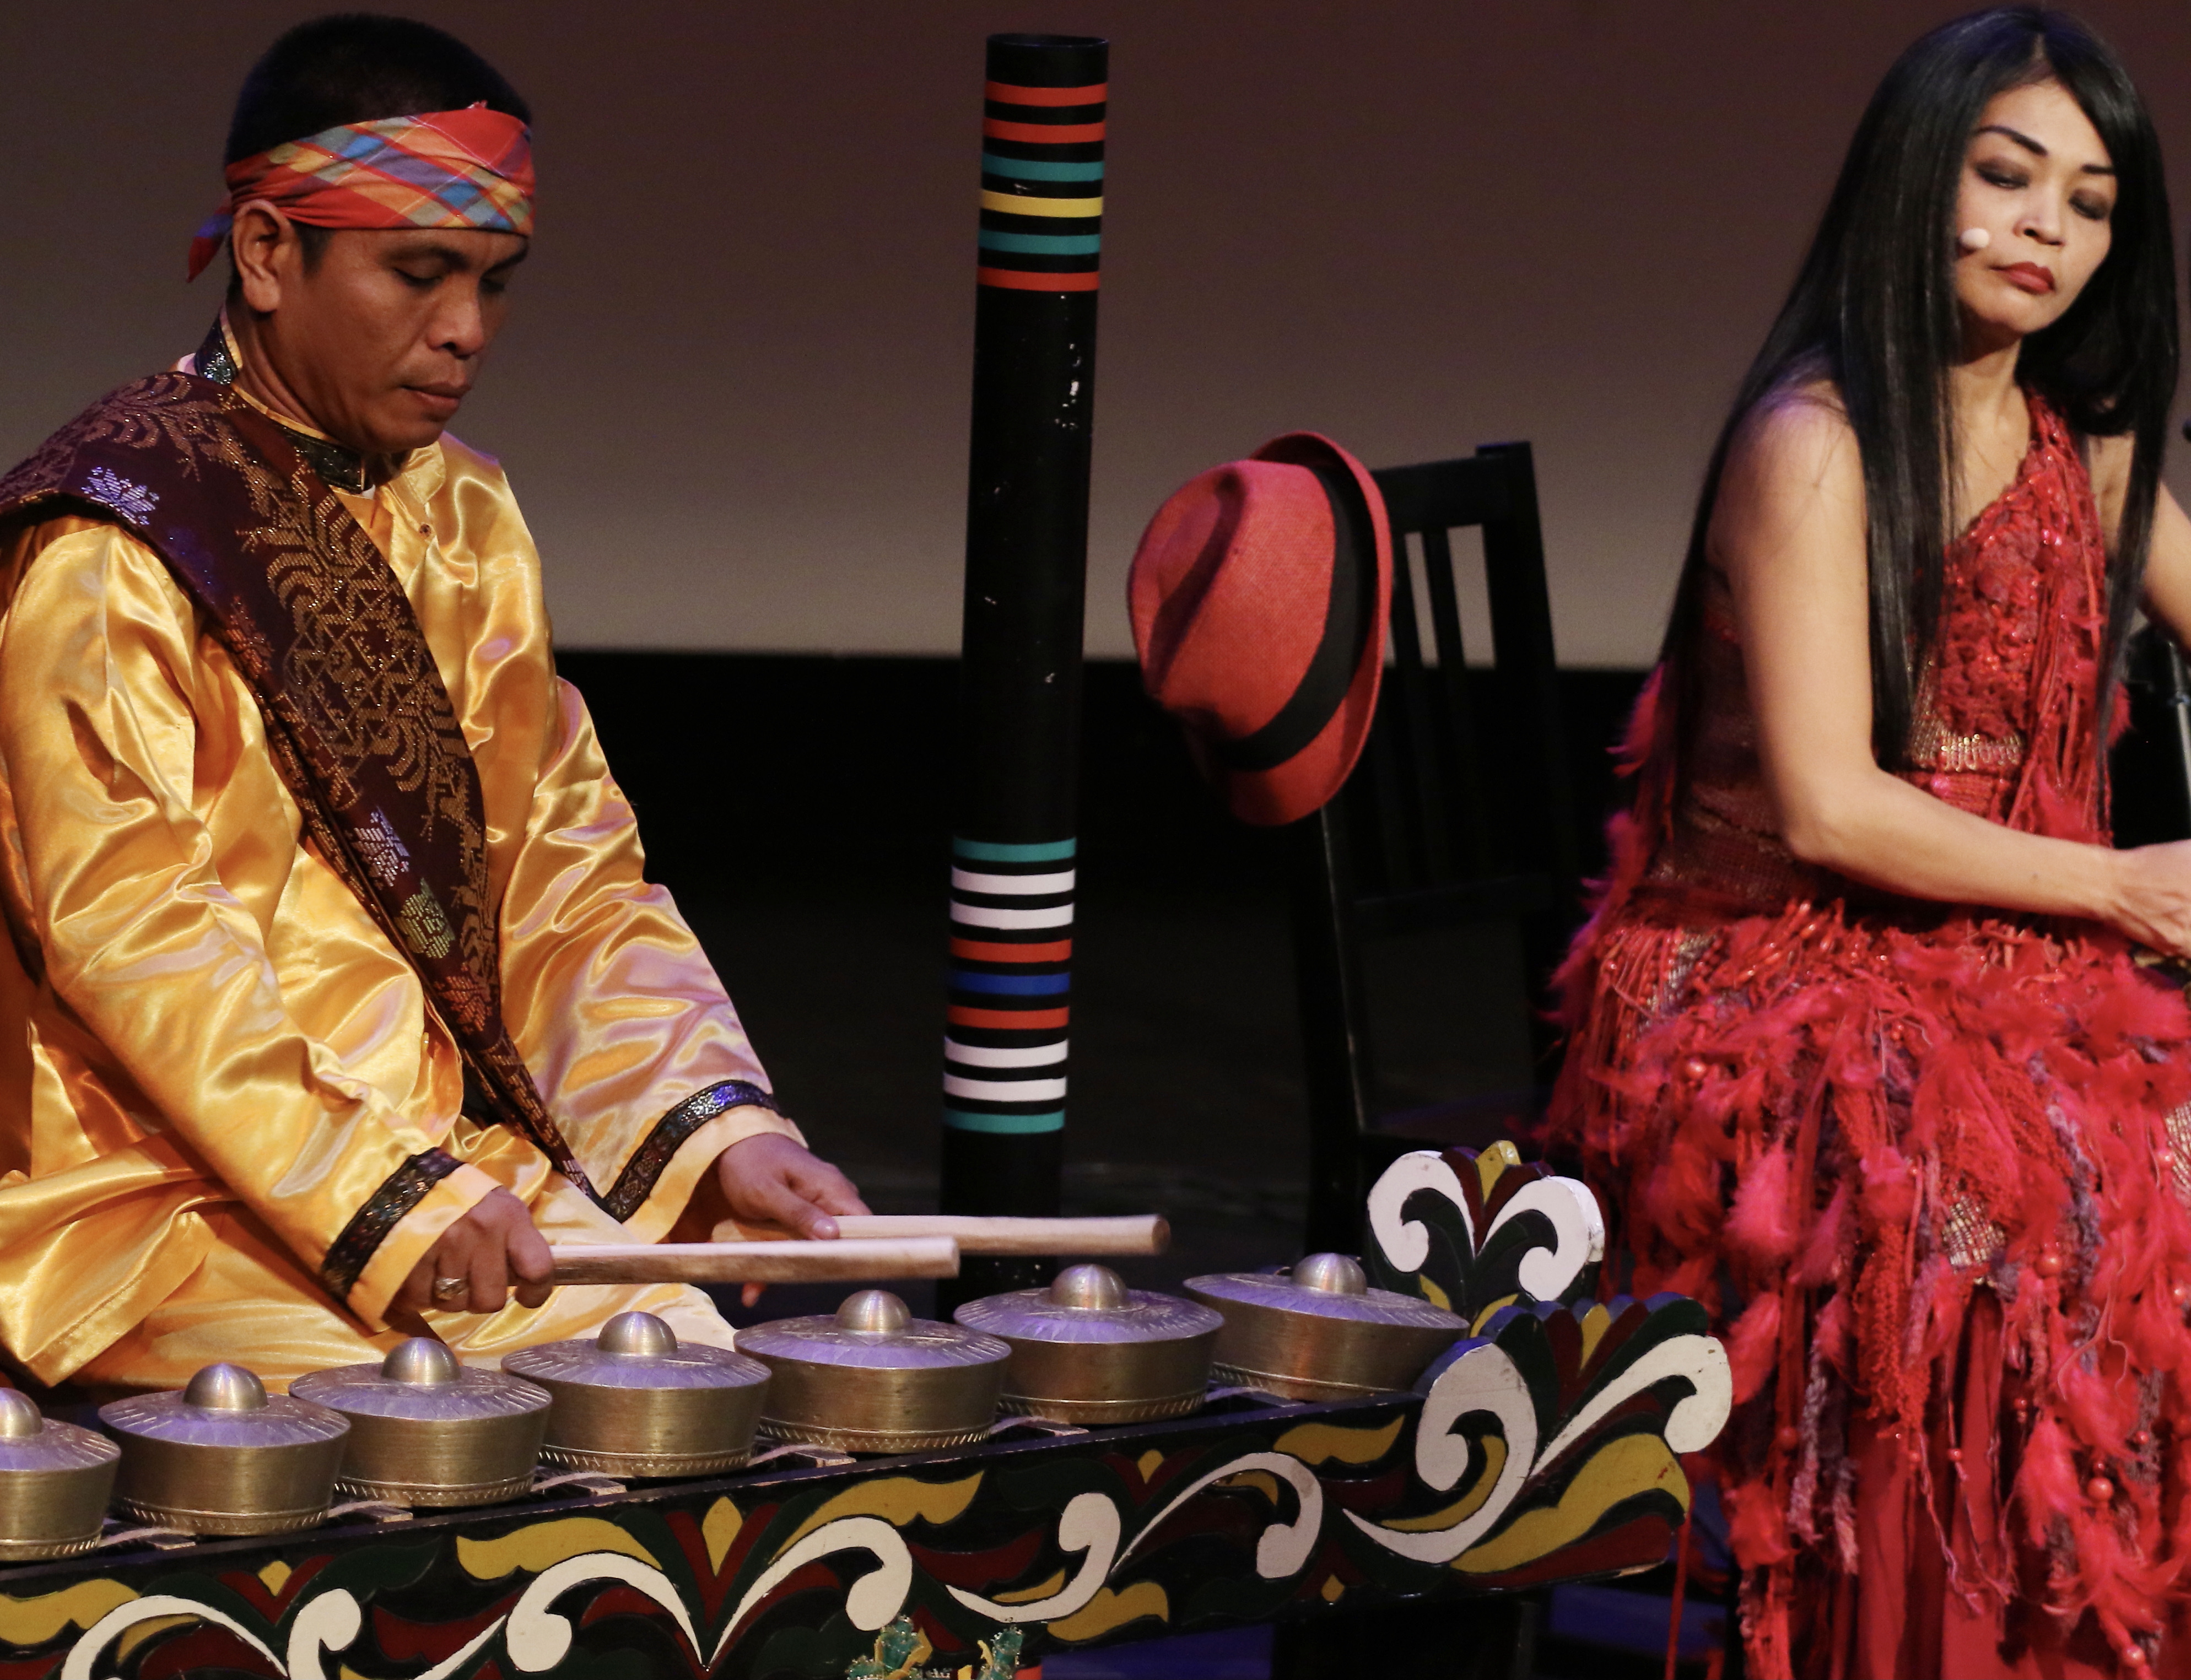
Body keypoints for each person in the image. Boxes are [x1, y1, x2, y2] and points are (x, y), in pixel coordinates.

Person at [0, 14, 869, 1392]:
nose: (464, 330)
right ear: (267, 254)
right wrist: (379, 1195)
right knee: (557, 1384)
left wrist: (719, 1134)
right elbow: (134, 935)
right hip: (158, 1191)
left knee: (673, 1344)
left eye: (492, 283)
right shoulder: (114, 545)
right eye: (417, 273)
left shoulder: (464, 517)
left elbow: (561, 877)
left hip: (429, 1160)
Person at [1547, 9, 2191, 1677]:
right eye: (2007, 176)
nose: (2047, 227)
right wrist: (2121, 886)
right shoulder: (1816, 442)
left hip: (2003, 949)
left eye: (2091, 202)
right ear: (1918, 179)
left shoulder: (2081, 447)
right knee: (1986, 1197)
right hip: (1761, 970)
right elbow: (1828, 806)